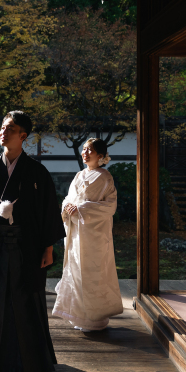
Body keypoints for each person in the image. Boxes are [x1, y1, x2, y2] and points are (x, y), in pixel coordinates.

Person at [0, 111, 65, 372]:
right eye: (2, 127)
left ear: (23, 136)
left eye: (10, 129)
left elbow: (47, 211)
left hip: (25, 247)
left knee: (25, 297)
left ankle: (31, 360)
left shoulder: (36, 172)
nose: (3, 132)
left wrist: (49, 248)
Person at [52, 138, 123, 331]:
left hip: (94, 234)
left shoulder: (104, 176)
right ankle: (79, 316)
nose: (85, 153)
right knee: (75, 270)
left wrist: (80, 208)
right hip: (77, 231)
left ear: (100, 156)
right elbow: (70, 198)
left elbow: (109, 206)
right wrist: (67, 206)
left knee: (93, 272)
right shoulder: (79, 175)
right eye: (84, 149)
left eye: (89, 150)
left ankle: (96, 318)